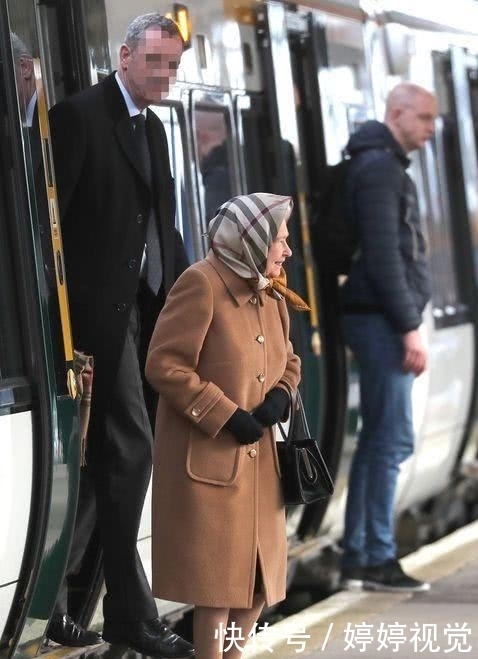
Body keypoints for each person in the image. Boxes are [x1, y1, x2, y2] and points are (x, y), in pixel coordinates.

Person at [47, 13, 193, 657]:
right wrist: (64, 330)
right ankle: (130, 617)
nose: (166, 76)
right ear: (126, 55)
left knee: (116, 462)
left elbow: (164, 225)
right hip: (96, 328)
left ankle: (68, 600)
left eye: (175, 66)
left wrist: (194, 303)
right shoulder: (79, 117)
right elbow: (50, 232)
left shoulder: (155, 128)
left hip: (146, 315)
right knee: (130, 454)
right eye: (157, 63)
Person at [145, 193, 306, 659]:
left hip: (260, 470)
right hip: (212, 464)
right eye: (281, 239)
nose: (287, 250)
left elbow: (289, 360)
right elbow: (165, 365)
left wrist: (280, 395)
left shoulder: (269, 289)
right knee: (217, 591)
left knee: (256, 587)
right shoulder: (201, 284)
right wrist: (224, 413)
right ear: (253, 239)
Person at [339, 82, 438, 592]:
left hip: (377, 319)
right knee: (391, 439)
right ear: (396, 112)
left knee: (380, 437)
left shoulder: (379, 164)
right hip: (379, 321)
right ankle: (376, 555)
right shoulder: (379, 170)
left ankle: (360, 554)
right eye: (423, 118)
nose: (429, 130)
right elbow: (383, 257)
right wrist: (408, 327)